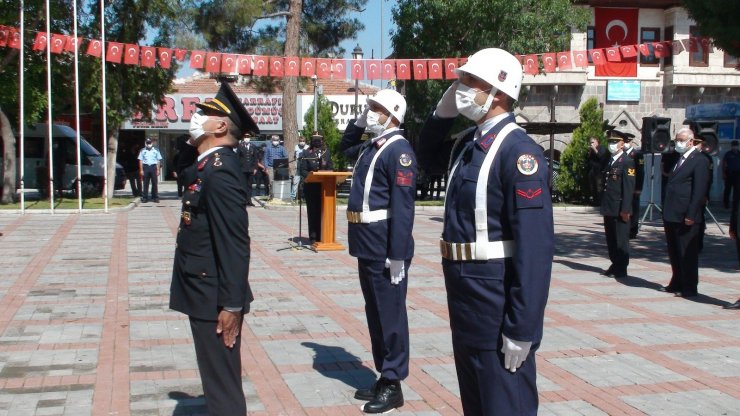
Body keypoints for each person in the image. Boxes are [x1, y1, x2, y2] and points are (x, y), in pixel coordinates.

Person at [417, 48, 554, 416]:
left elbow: (535, 249)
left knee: (506, 404)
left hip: (496, 303)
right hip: (465, 297)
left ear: (499, 91)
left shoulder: (519, 153)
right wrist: (442, 113)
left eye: (470, 81)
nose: (462, 88)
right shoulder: (467, 143)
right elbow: (425, 156)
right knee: (476, 404)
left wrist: (523, 328)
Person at [169, 81, 259, 415]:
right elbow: (182, 168)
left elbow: (235, 244)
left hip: (216, 297)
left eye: (202, 113)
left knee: (222, 390)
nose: (194, 116)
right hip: (204, 289)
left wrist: (232, 306)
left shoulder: (220, 173)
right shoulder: (208, 165)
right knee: (216, 381)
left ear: (220, 125)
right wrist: (192, 141)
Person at [340, 89, 417, 414]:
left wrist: (397, 253)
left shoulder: (399, 151)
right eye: (370, 108)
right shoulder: (374, 146)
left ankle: (393, 382)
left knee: (391, 316)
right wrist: (358, 121)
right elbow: (345, 149)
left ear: (393, 114)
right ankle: (383, 374)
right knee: (375, 314)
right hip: (366, 242)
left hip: (386, 244)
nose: (370, 112)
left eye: (376, 108)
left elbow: (404, 207)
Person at [660, 127, 710, 298]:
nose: (678, 143)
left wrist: (691, 214)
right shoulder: (679, 159)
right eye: (676, 140)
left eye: (681, 140)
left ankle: (689, 286)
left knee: (686, 253)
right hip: (672, 213)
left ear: (691, 141)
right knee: (674, 251)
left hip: (686, 215)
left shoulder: (699, 160)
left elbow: (698, 191)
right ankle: (677, 281)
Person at [600, 130, 636, 279]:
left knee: (621, 240)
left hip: (620, 207)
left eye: (615, 142)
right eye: (610, 142)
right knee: (611, 239)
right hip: (609, 206)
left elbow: (628, 188)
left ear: (622, 144)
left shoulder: (627, 161)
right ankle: (615, 263)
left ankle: (622, 267)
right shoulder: (611, 160)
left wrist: (626, 209)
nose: (611, 145)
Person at [298, 133, 333, 242]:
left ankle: (323, 235)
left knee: (323, 212)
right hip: (311, 187)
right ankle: (313, 236)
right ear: (312, 141)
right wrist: (311, 175)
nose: (317, 142)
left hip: (325, 188)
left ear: (322, 141)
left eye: (319, 140)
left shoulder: (326, 153)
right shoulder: (306, 153)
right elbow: (303, 170)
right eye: (315, 140)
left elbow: (330, 167)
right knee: (313, 212)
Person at [622, 134, 644, 238]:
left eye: (627, 141)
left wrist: (639, 187)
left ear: (631, 142)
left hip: (634, 186)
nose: (626, 144)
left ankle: (633, 230)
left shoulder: (637, 154)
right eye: (624, 141)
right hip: (625, 186)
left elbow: (640, 172)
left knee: (634, 209)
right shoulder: (622, 154)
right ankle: (625, 228)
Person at [262, 134, 288, 199]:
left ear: (279, 141)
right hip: (270, 167)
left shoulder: (282, 148)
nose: (275, 141)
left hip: (279, 168)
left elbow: (286, 157)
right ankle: (271, 196)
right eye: (274, 140)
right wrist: (266, 167)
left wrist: (282, 164)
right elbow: (265, 158)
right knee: (271, 182)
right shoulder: (268, 148)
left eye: (277, 140)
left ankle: (278, 196)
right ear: (272, 140)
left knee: (278, 182)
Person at [138, 138, 162, 203]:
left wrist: (158, 170)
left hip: (153, 167)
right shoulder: (142, 150)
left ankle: (155, 197)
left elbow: (158, 160)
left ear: (152, 143)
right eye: (148, 143)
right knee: (145, 183)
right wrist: (141, 170)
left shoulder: (156, 150)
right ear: (146, 143)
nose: (149, 144)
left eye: (150, 143)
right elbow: (140, 160)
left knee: (154, 183)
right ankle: (145, 197)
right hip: (145, 167)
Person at [237, 132, 258, 206]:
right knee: (243, 185)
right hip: (242, 169)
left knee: (249, 186)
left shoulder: (253, 146)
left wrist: (255, 168)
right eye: (245, 136)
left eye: (248, 137)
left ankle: (249, 200)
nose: (247, 138)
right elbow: (237, 158)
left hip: (251, 169)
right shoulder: (240, 146)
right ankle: (243, 200)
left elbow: (255, 158)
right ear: (243, 138)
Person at [587, 136, 607, 206]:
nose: (591, 144)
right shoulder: (591, 150)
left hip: (599, 171)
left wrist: (595, 149)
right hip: (592, 171)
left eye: (592, 142)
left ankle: (600, 202)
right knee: (592, 187)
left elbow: (602, 157)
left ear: (597, 141)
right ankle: (595, 201)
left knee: (599, 187)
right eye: (590, 142)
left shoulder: (602, 148)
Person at [660, 141, 679, 205]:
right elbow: (662, 164)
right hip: (665, 176)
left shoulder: (677, 154)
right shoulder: (665, 153)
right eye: (671, 145)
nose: (672, 147)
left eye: (673, 145)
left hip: (675, 177)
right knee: (664, 193)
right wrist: (664, 173)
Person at [722, 140, 740, 209]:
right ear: (731, 146)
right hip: (729, 174)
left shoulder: (739, 154)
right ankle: (726, 204)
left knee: (737, 191)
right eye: (733, 145)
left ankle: (736, 204)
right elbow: (724, 164)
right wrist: (723, 173)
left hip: (738, 174)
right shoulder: (728, 154)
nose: (735, 147)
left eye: (736, 145)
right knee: (727, 190)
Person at [291, 135, 308, 200]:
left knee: (305, 182)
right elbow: (294, 156)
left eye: (303, 141)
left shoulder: (307, 147)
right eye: (301, 141)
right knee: (295, 182)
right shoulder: (296, 147)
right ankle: (293, 196)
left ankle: (304, 197)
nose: (302, 142)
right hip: (298, 167)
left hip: (305, 168)